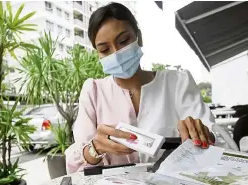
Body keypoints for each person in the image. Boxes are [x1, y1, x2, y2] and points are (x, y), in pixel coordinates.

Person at [65, 2, 216, 174]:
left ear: (139, 37)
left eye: (123, 41)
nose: (116, 53)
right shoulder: (93, 92)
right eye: (105, 49)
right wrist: (95, 149)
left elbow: (217, 142)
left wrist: (203, 134)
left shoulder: (177, 83)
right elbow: (75, 167)